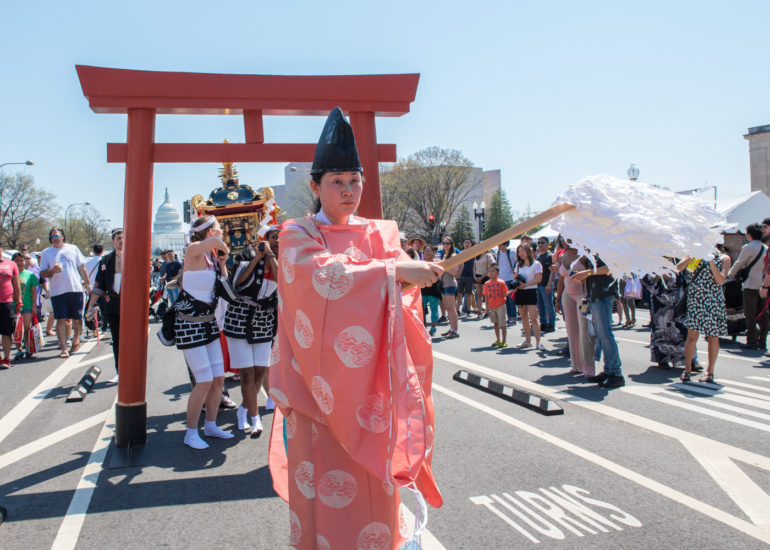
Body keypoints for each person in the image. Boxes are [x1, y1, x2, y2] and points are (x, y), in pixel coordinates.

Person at [267, 107, 443, 550]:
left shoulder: (380, 233)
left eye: (355, 181)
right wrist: (393, 272)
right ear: (315, 186)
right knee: (322, 498)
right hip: (315, 389)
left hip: (370, 391)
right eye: (336, 182)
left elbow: (398, 303)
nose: (348, 191)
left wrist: (405, 277)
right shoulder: (296, 233)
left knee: (373, 500)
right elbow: (320, 276)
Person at [159, 216, 234, 449]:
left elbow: (225, 284)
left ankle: (211, 425)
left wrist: (222, 263)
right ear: (210, 230)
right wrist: (219, 242)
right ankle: (191, 432)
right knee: (203, 380)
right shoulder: (194, 249)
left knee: (219, 378)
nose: (222, 231)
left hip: (208, 321)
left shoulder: (212, 256)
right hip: (189, 324)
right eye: (218, 228)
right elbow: (220, 244)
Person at [223, 228, 279, 438]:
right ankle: (255, 419)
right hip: (240, 317)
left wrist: (271, 256)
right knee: (246, 373)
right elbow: (237, 283)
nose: (278, 242)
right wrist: (257, 257)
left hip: (264, 319)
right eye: (274, 238)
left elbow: (282, 281)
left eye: (281, 239)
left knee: (260, 371)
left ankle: (243, 411)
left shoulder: (282, 259)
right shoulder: (247, 254)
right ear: (264, 239)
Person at [572, 256, 625, 388]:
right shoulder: (592, 250)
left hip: (603, 293)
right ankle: (609, 370)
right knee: (601, 334)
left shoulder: (605, 247)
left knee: (605, 333)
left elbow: (611, 268)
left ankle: (616, 373)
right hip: (594, 294)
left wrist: (588, 272)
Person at [39, 228, 90, 358]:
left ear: (62, 236)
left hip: (75, 288)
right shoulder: (46, 253)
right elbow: (43, 273)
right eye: (52, 236)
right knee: (60, 319)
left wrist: (88, 284)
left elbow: (81, 268)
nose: (54, 238)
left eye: (57, 235)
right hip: (57, 291)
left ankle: (76, 340)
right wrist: (52, 271)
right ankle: (63, 348)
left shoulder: (73, 248)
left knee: (77, 319)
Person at [678, 256, 728, 383]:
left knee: (713, 337)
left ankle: (710, 372)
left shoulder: (724, 258)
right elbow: (679, 268)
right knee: (692, 336)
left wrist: (710, 261)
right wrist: (692, 256)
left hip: (713, 301)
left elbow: (720, 280)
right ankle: (687, 369)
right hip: (696, 299)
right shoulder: (695, 253)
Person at [86, 229, 124, 383]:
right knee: (117, 339)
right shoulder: (106, 260)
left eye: (124, 238)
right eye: (118, 238)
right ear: (113, 241)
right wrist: (91, 305)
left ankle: (134, 370)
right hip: (113, 303)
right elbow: (98, 287)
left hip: (131, 304)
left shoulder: (136, 256)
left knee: (134, 340)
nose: (122, 241)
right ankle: (120, 371)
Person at [555, 242, 595, 377]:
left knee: (584, 330)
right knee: (571, 330)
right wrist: (557, 299)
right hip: (567, 295)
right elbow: (560, 279)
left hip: (582, 296)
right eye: (562, 240)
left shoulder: (584, 255)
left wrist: (589, 298)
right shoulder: (561, 257)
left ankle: (588, 367)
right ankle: (576, 365)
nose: (563, 242)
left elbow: (591, 276)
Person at [728, 223, 767, 350]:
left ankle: (751, 340)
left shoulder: (748, 247)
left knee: (749, 313)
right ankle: (762, 341)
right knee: (763, 313)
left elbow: (739, 263)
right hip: (763, 284)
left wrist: (730, 274)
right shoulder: (766, 248)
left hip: (750, 284)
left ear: (749, 235)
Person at [513, 244, 543, 350]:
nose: (521, 253)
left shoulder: (536, 264)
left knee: (534, 318)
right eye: (519, 251)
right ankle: (527, 340)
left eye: (523, 251)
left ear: (528, 251)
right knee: (524, 317)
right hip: (520, 292)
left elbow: (539, 279)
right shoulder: (518, 264)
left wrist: (526, 284)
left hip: (531, 291)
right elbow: (515, 277)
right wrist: (517, 283)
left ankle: (538, 342)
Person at [12, 252, 38, 360]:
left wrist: (34, 305)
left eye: (21, 260)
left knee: (27, 328)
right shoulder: (10, 274)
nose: (19, 263)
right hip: (13, 306)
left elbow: (34, 292)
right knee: (16, 329)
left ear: (25, 261)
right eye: (16, 261)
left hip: (27, 305)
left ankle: (28, 347)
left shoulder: (30, 275)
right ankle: (19, 350)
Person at [0, 245, 21, 368]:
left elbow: (16, 284)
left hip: (7, 303)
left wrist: (19, 301)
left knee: (7, 332)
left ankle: (6, 358)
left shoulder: (11, 264)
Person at [483, 264, 512, 348]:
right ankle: (498, 340)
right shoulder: (487, 283)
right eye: (489, 271)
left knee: (502, 324)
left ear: (498, 272)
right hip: (492, 306)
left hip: (501, 305)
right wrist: (487, 307)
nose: (491, 273)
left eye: (493, 271)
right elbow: (486, 296)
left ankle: (504, 341)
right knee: (495, 323)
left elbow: (505, 294)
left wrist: (512, 291)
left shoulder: (501, 282)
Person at [440, 237, 461, 338]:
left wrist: (443, 267)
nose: (445, 245)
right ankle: (452, 328)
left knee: (452, 308)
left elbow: (454, 272)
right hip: (443, 283)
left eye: (447, 243)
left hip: (450, 284)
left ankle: (455, 330)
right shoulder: (444, 255)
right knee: (448, 308)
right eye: (444, 243)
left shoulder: (453, 255)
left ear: (451, 245)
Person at [535, 237, 556, 332]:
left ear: (547, 244)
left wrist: (549, 284)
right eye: (538, 242)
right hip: (538, 284)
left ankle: (551, 324)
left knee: (549, 305)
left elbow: (552, 271)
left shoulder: (549, 256)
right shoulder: (538, 256)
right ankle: (543, 323)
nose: (540, 244)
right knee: (540, 305)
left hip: (546, 284)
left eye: (542, 242)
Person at [496, 240, 518, 325]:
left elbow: (518, 262)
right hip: (501, 280)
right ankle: (509, 317)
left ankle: (513, 317)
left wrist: (515, 270)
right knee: (505, 300)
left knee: (511, 299)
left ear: (505, 244)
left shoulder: (511, 252)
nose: (498, 245)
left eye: (500, 243)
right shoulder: (498, 253)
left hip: (510, 279)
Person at [421, 245, 442, 336]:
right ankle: (422, 327)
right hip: (422, 289)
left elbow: (440, 276)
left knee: (434, 309)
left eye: (430, 251)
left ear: (434, 253)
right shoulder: (420, 264)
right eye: (426, 251)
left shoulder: (437, 264)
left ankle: (433, 327)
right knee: (422, 309)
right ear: (423, 253)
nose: (428, 253)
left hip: (434, 289)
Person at [456, 238, 476, 315]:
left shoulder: (473, 253)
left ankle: (468, 310)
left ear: (471, 244)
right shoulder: (460, 253)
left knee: (469, 294)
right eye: (465, 242)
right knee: (459, 294)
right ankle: (457, 310)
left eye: (468, 242)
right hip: (461, 275)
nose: (467, 244)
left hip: (470, 276)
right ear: (463, 244)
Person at [473, 248, 495, 318]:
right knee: (479, 294)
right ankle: (479, 311)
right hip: (477, 275)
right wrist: (475, 276)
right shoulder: (477, 256)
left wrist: (482, 277)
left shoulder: (488, 255)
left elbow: (489, 267)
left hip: (485, 276)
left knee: (485, 295)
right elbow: (474, 267)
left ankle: (487, 311)